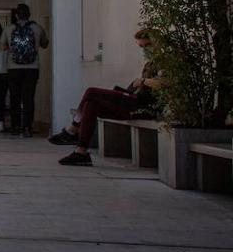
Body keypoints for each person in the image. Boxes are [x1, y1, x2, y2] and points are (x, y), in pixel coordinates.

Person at [52, 29, 162, 166]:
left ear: (157, 43)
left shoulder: (166, 61)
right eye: (142, 47)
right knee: (91, 105)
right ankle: (81, 151)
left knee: (91, 91)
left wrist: (144, 82)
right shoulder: (149, 63)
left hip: (143, 105)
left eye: (148, 45)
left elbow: (166, 82)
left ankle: (73, 129)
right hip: (133, 99)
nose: (145, 50)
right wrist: (136, 84)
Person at [6, 3, 49, 137]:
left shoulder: (9, 28)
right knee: (28, 98)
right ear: (29, 14)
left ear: (16, 15)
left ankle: (15, 126)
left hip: (13, 68)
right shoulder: (37, 28)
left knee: (15, 98)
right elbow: (45, 44)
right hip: (32, 68)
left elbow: (2, 45)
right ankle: (27, 127)